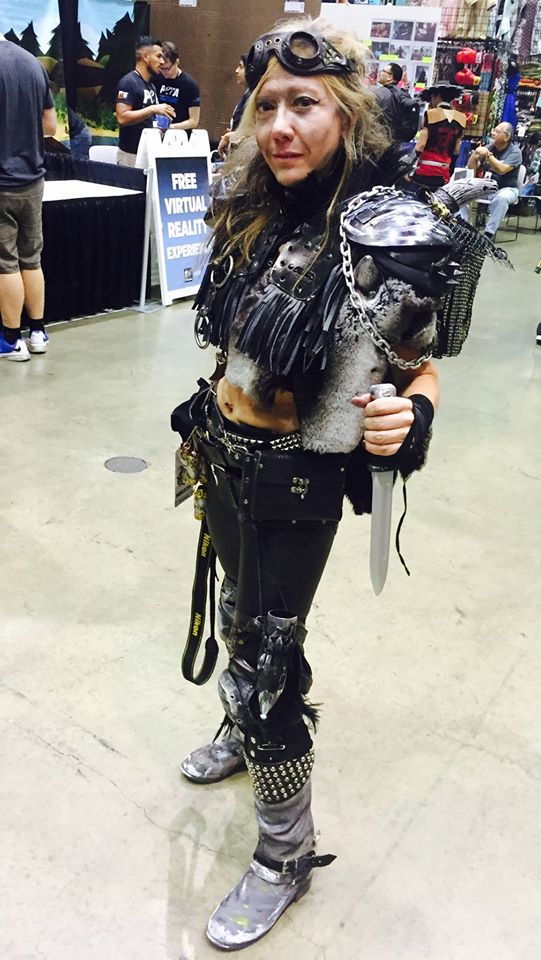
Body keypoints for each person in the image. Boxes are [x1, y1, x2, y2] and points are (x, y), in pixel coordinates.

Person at [172, 17, 491, 951]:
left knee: (271, 663)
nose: (279, 125)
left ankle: (285, 853)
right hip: (219, 454)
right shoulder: (251, 207)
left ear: (347, 115)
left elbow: (420, 369)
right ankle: (238, 731)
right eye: (266, 104)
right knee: (233, 610)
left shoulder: (389, 231)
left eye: (304, 104)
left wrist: (409, 417)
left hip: (294, 481)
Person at [0, 35, 57, 360]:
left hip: (1, 183)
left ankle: (11, 340)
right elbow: (50, 126)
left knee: (5, 262)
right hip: (33, 180)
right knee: (31, 258)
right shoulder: (33, 65)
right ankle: (37, 332)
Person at [115, 36, 175, 167]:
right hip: (131, 156)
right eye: (158, 56)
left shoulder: (150, 85)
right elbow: (122, 118)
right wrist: (153, 109)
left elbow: (149, 119)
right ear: (145, 56)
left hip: (149, 153)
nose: (162, 61)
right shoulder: (128, 82)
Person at [465, 122, 523, 239]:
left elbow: (502, 170)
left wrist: (488, 155)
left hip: (507, 188)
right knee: (463, 192)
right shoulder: (489, 147)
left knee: (502, 198)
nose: (493, 133)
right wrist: (475, 155)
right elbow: (471, 169)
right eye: (493, 130)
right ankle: (464, 226)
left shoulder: (515, 152)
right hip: (487, 187)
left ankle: (488, 234)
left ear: (507, 137)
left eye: (497, 132)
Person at [412, 83, 465, 190]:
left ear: (438, 96)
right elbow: (456, 150)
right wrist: (450, 171)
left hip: (425, 169)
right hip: (443, 172)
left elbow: (420, 146)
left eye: (432, 97)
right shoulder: (461, 118)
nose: (431, 101)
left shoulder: (430, 114)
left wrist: (409, 168)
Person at [155, 41, 200, 133]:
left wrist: (171, 127)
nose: (164, 72)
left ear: (176, 62)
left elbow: (194, 121)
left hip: (179, 134)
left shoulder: (189, 85)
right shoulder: (156, 78)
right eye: (161, 68)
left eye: (167, 69)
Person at [375, 62, 419, 145]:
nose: (380, 73)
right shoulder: (404, 95)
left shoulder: (380, 93)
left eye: (383, 71)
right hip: (398, 143)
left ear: (390, 77)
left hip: (380, 141)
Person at [217, 55, 249, 155]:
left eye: (241, 67)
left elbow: (255, 132)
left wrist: (231, 136)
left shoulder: (255, 97)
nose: (236, 71)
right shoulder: (247, 94)